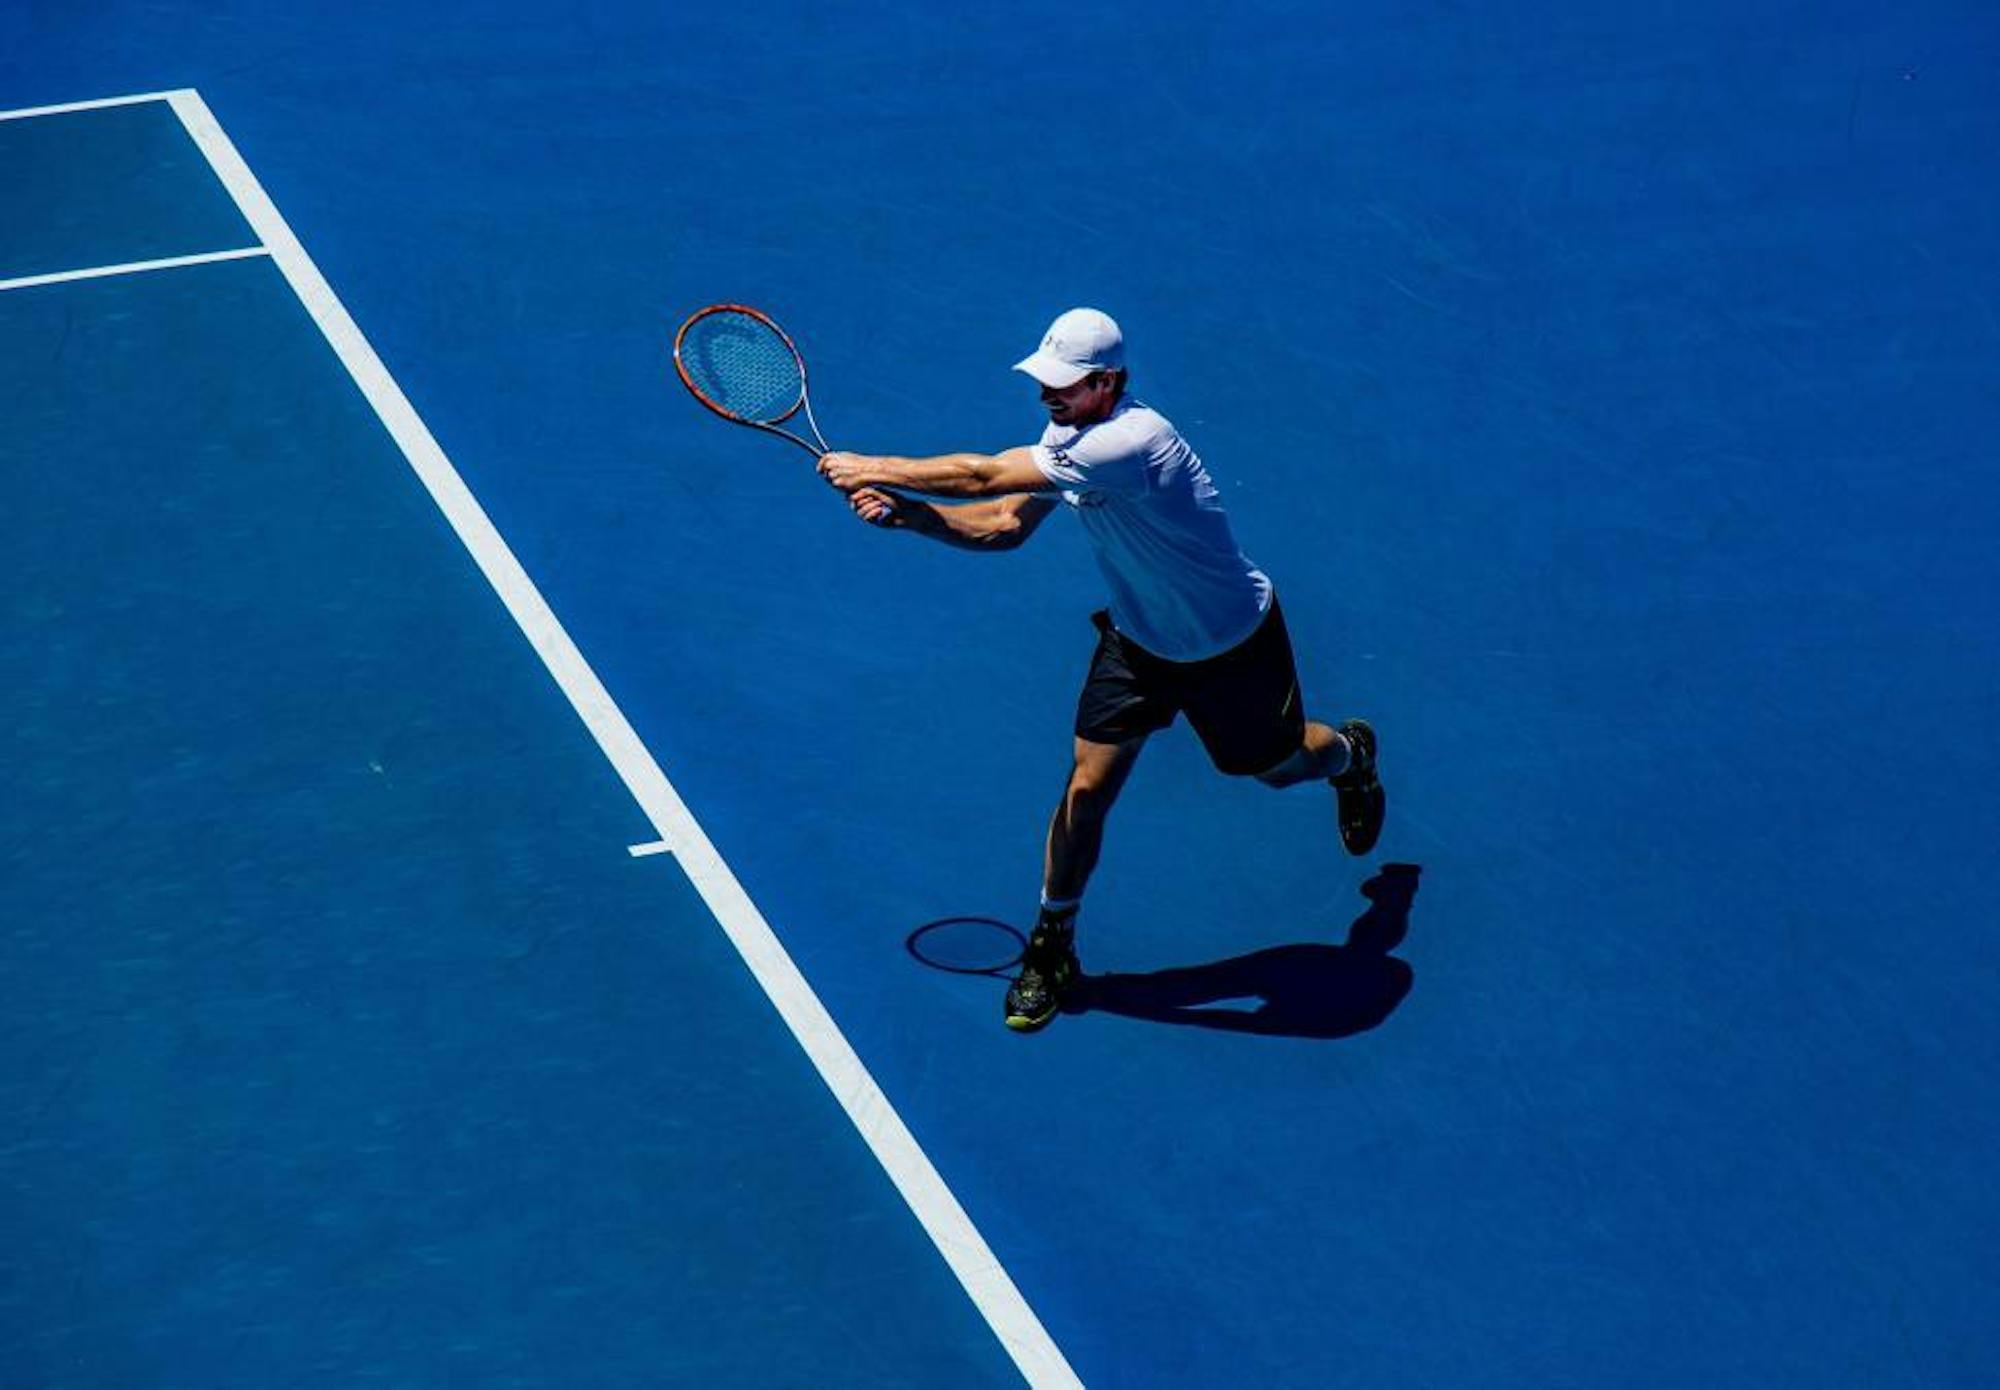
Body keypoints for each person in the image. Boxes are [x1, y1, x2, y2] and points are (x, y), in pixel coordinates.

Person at [816, 308, 1383, 1032]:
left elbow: (982, 474)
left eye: (1065, 384)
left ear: (1109, 382)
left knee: (1274, 766)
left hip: (1232, 645)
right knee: (1087, 789)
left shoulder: (1133, 442)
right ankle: (1052, 945)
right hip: (1138, 644)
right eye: (1044, 381)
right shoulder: (1069, 437)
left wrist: (873, 466)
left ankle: (1351, 755)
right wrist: (913, 518)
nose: (1048, 395)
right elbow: (1004, 525)